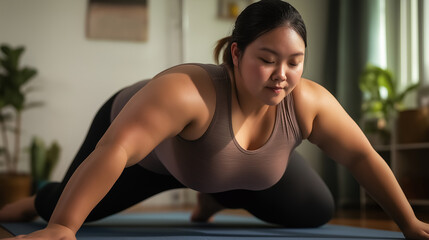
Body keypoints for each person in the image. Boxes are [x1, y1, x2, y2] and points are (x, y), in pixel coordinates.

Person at [1, 0, 429, 239]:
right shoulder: (186, 92)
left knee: (317, 209)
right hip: (150, 160)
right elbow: (116, 150)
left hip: (226, 170)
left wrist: (409, 224)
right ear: (237, 54)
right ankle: (31, 203)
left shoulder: (308, 101)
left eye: (295, 61)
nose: (282, 75)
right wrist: (60, 226)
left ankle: (215, 195)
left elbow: (360, 156)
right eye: (267, 59)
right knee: (65, 207)